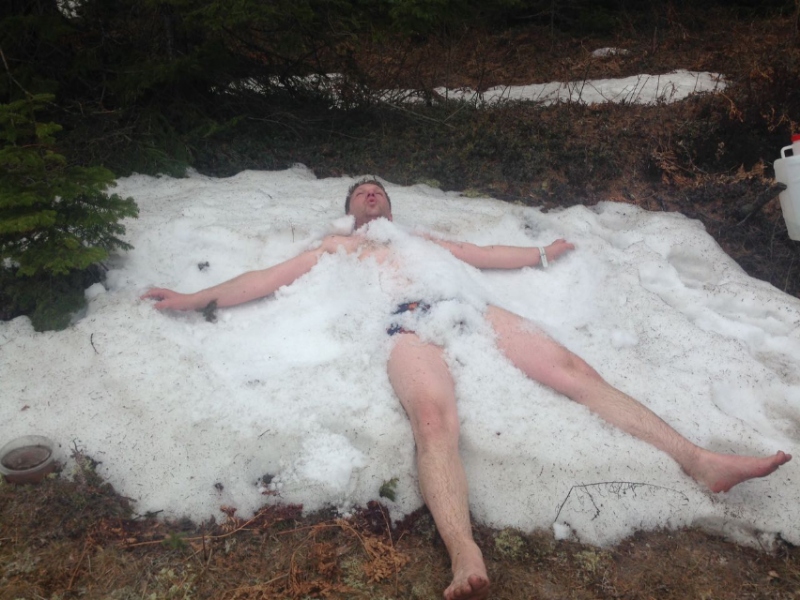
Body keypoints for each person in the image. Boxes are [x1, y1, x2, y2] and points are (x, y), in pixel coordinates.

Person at [143, 179, 792, 600]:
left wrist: (543, 254)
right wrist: (192, 298)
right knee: (432, 420)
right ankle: (464, 553)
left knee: (575, 372)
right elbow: (260, 281)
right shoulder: (335, 248)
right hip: (404, 324)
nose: (371, 195)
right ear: (350, 209)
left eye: (378, 191)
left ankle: (699, 460)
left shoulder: (422, 240)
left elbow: (484, 254)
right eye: (362, 192)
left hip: (469, 310)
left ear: (390, 206)